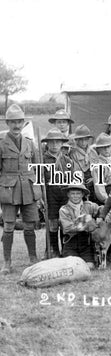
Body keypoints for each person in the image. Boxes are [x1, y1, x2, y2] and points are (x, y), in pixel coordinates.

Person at [0, 105, 42, 273]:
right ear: (7, 123)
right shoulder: (2, 144)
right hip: (9, 190)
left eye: (19, 122)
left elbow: (37, 169)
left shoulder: (30, 144)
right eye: (12, 122)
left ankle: (33, 258)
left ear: (23, 122)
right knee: (9, 226)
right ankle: (7, 262)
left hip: (29, 189)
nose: (16, 125)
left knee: (30, 225)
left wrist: (39, 190)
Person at [41, 129, 73, 258]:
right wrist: (41, 198)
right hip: (50, 194)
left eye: (57, 142)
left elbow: (72, 180)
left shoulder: (67, 161)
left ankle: (66, 250)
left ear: (62, 144)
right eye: (51, 142)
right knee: (52, 223)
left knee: (64, 222)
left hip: (64, 194)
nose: (54, 145)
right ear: (47, 144)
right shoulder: (42, 160)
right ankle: (53, 250)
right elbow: (39, 180)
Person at [59, 184, 100, 269]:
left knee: (90, 266)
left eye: (78, 193)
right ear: (68, 195)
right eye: (73, 194)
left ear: (82, 195)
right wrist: (86, 224)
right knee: (72, 267)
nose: (75, 196)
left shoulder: (89, 206)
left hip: (85, 243)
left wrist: (101, 218)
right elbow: (67, 228)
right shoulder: (64, 209)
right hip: (70, 242)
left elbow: (102, 210)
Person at [69, 125, 97, 201]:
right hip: (82, 179)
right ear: (76, 140)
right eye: (80, 140)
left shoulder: (93, 152)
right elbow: (76, 170)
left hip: (93, 179)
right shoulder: (73, 153)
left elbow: (97, 167)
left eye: (85, 140)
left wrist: (94, 178)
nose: (83, 142)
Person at [91, 133, 111, 203]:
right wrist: (105, 199)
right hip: (108, 191)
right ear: (98, 149)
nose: (106, 149)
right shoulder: (98, 165)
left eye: (108, 146)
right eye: (103, 147)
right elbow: (99, 186)